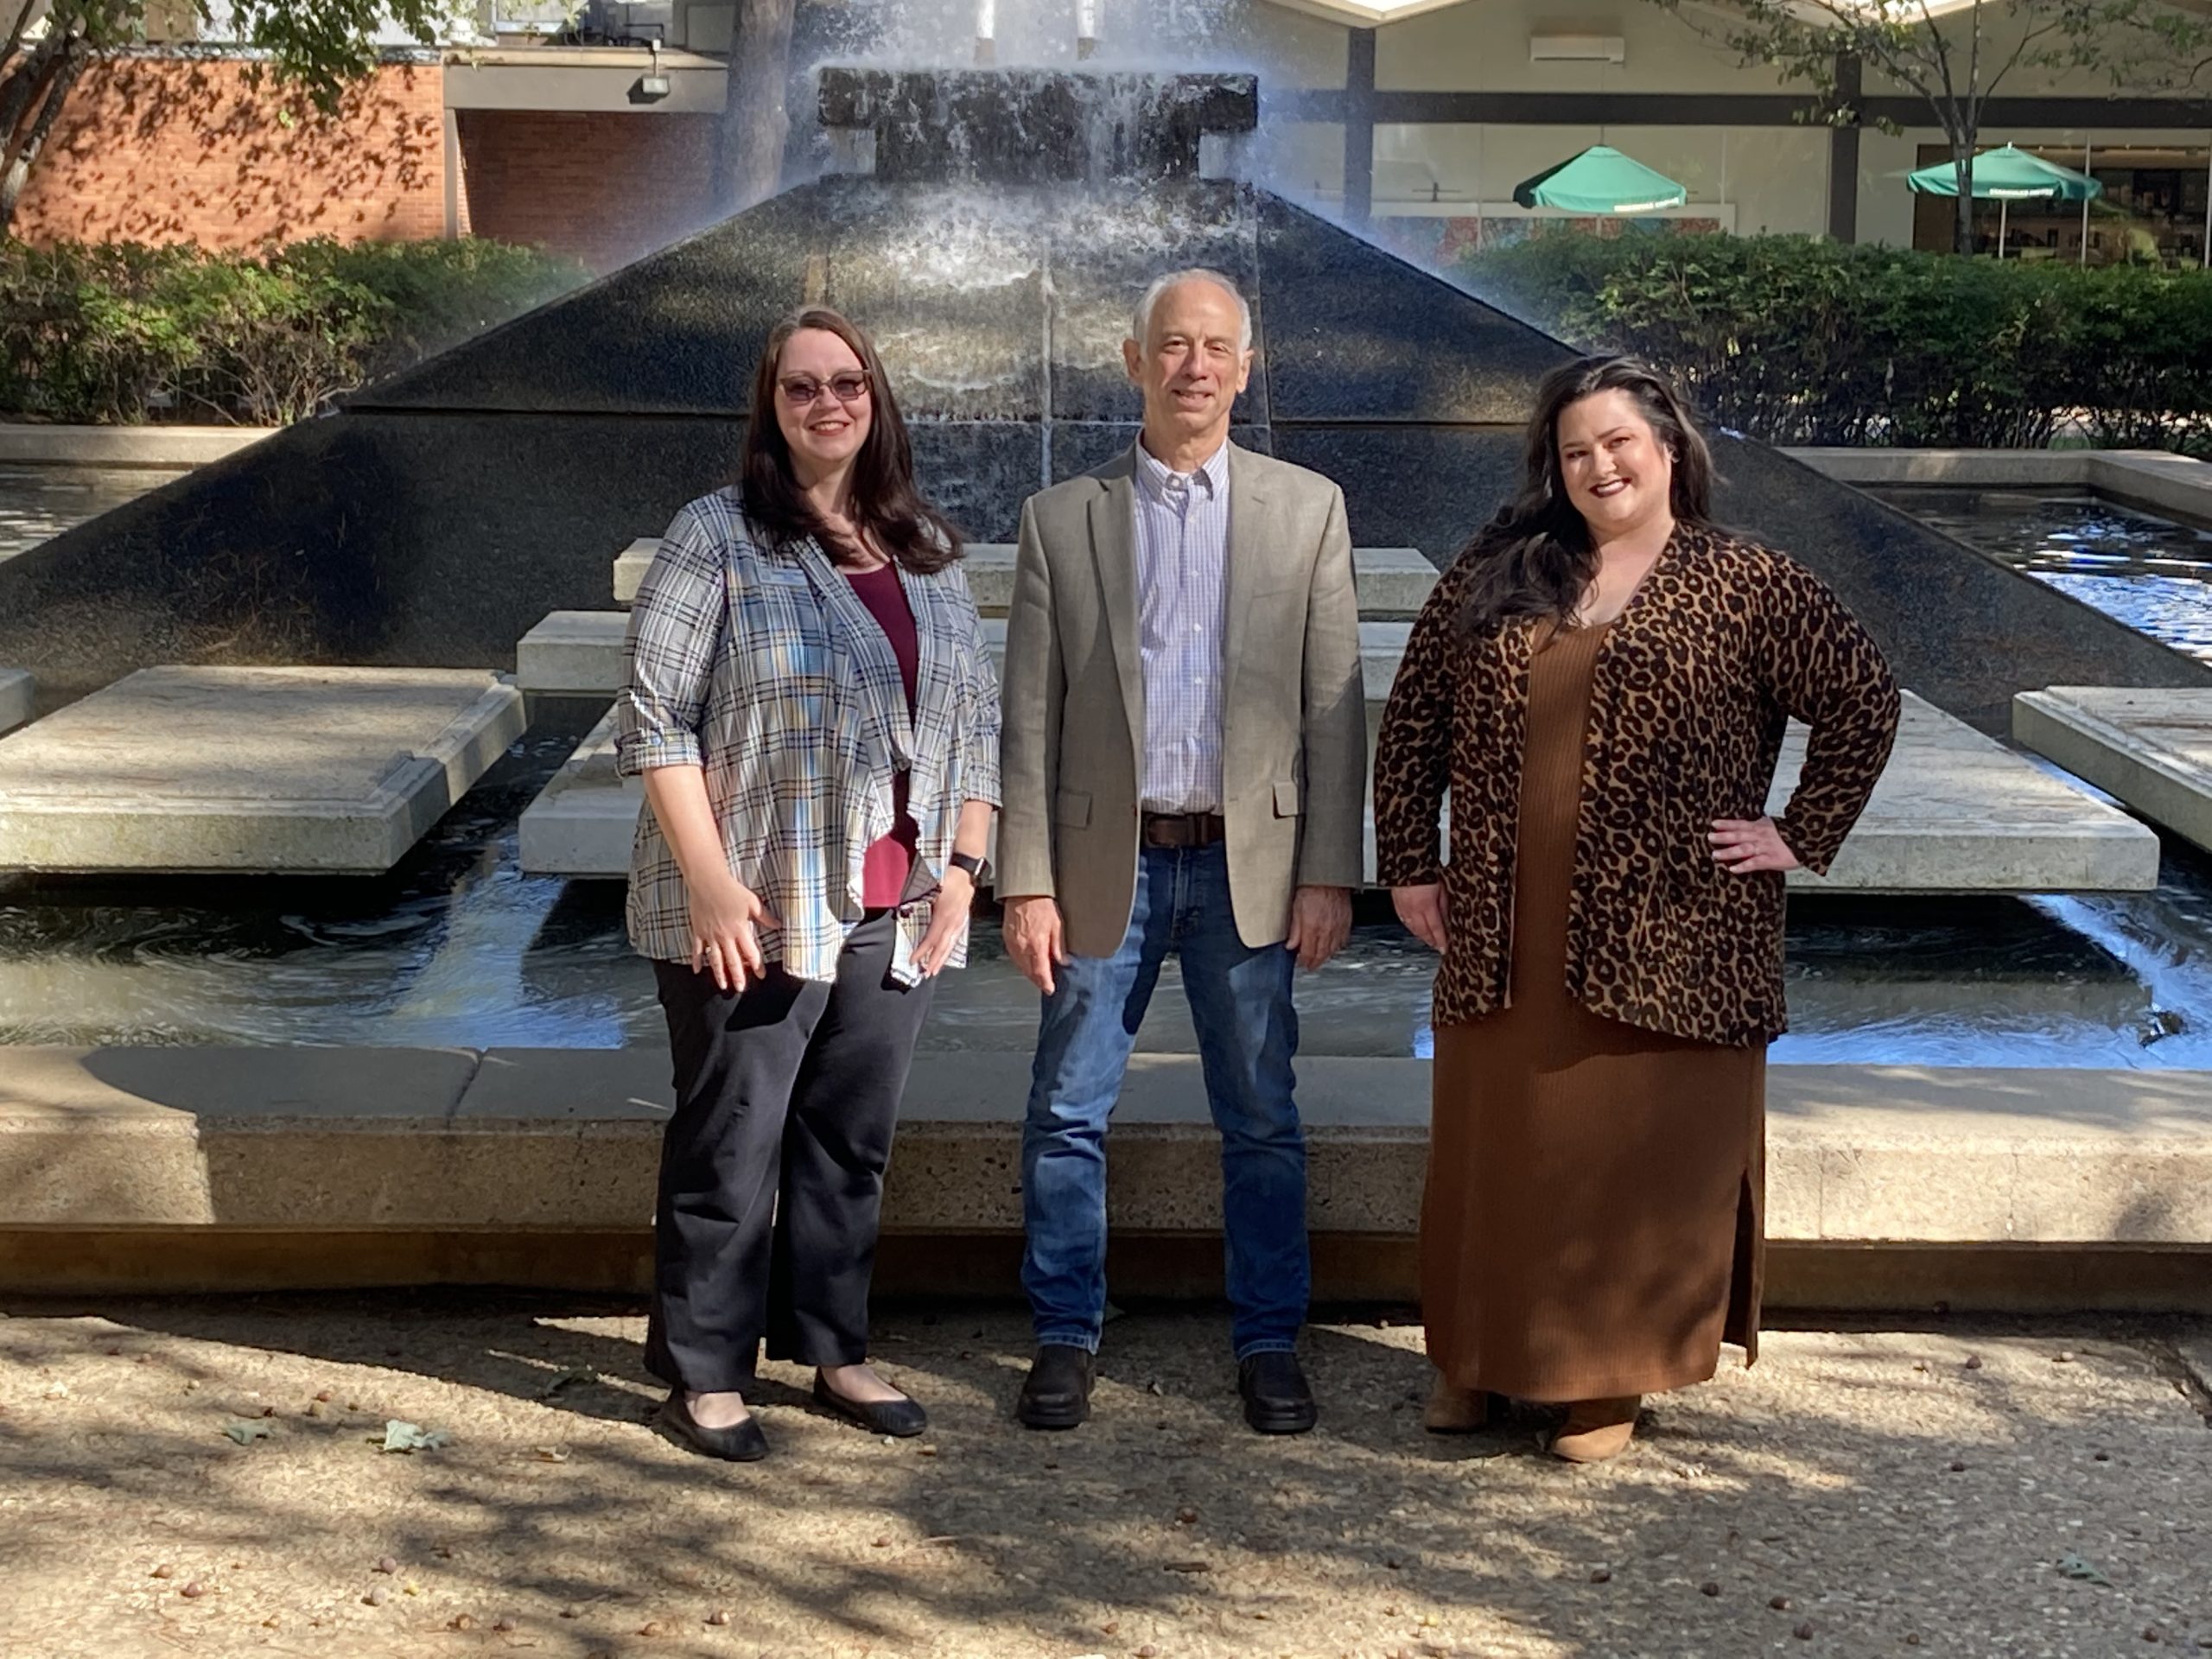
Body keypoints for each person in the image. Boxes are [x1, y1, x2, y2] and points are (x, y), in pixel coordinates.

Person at [1373, 355, 1899, 1464]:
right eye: (1575, 451)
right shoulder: (1500, 565)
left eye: (1618, 443)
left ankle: (1599, 1380)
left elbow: (1862, 697)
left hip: (1676, 934)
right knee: (1495, 1148)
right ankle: (1472, 1359)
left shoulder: (1746, 581)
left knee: (1626, 1156)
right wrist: (1412, 863)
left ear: (1668, 450)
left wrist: (1799, 833)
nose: (1598, 465)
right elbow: (1414, 711)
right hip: (1504, 924)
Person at [616, 307, 1001, 1462]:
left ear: (875, 400)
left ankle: (834, 1349)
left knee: (848, 1142)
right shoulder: (719, 535)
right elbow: (654, 716)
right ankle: (705, 1370)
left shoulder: (924, 544)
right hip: (760, 900)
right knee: (732, 1139)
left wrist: (966, 872)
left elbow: (974, 725)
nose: (828, 403)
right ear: (771, 409)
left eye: (848, 384)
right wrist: (712, 884)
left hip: (900, 903)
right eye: (802, 388)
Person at [996, 269, 1367, 1435]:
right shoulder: (1063, 519)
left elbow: (1333, 712)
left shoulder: (1309, 510)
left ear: (1245, 368)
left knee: (1261, 1114)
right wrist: (1028, 880)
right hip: (1111, 863)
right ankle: (1064, 1333)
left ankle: (1268, 1340)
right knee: (1066, 1110)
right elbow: (1027, 718)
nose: (1193, 365)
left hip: (1247, 869)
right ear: (1133, 359)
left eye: (1215, 347)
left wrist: (1326, 871)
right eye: (1172, 345)